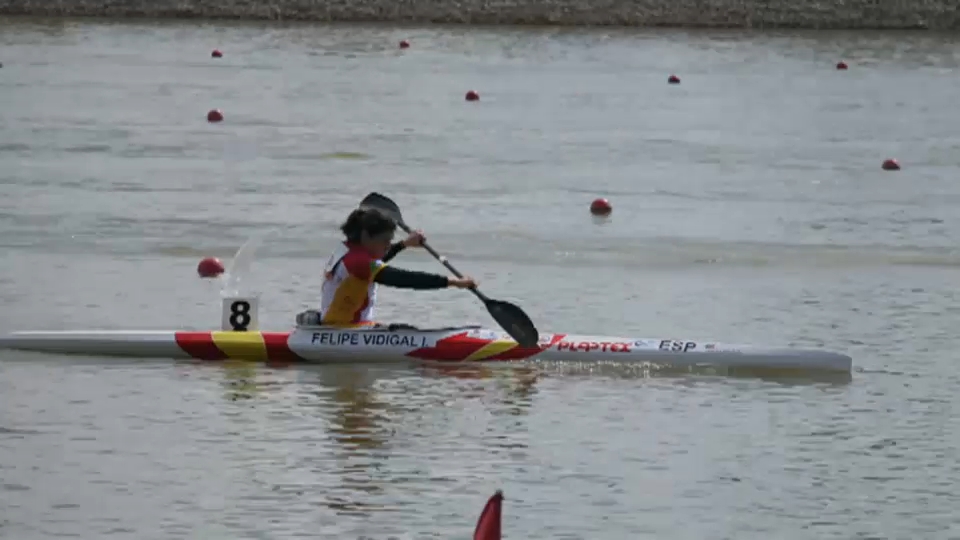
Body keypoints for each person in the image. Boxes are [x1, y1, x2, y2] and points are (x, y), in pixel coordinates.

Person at [297, 207, 477, 327]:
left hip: (339, 325)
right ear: (366, 235)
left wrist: (404, 245)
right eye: (385, 241)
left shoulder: (346, 250)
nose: (387, 246)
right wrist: (452, 282)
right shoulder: (358, 262)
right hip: (345, 330)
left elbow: (376, 263)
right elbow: (401, 278)